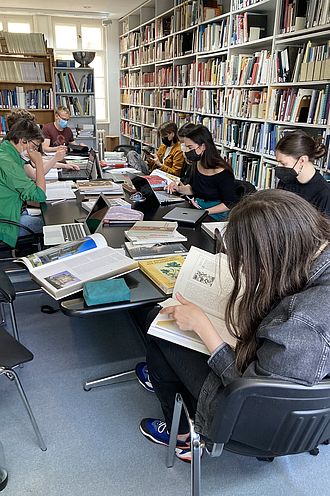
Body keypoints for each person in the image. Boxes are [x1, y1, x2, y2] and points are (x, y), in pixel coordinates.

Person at [139, 189, 330, 461]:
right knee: (167, 338)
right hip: (303, 398)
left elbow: (253, 398)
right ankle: (167, 381)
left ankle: (180, 436)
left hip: (259, 419)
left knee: (160, 324)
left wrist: (204, 328)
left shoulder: (302, 324)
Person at [167, 124, 237, 220]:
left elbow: (229, 204)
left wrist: (205, 212)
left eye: (190, 148)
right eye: (186, 147)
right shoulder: (197, 163)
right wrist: (178, 189)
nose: (187, 152)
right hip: (198, 209)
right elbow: (193, 188)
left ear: (203, 146)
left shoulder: (223, 172)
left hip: (216, 215)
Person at [0, 118, 46, 247]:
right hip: (6, 225)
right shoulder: (8, 163)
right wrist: (39, 163)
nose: (35, 151)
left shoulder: (5, 151)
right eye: (35, 147)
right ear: (23, 140)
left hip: (11, 211)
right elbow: (40, 196)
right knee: (53, 225)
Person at [6, 109, 79, 180]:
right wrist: (55, 159)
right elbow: (34, 175)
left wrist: (65, 166)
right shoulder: (12, 151)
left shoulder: (14, 145)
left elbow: (38, 163)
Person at [275, 130, 330, 217]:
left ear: (302, 160)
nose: (278, 166)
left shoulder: (325, 194)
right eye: (277, 162)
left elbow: (322, 230)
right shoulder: (285, 181)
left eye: (283, 163)